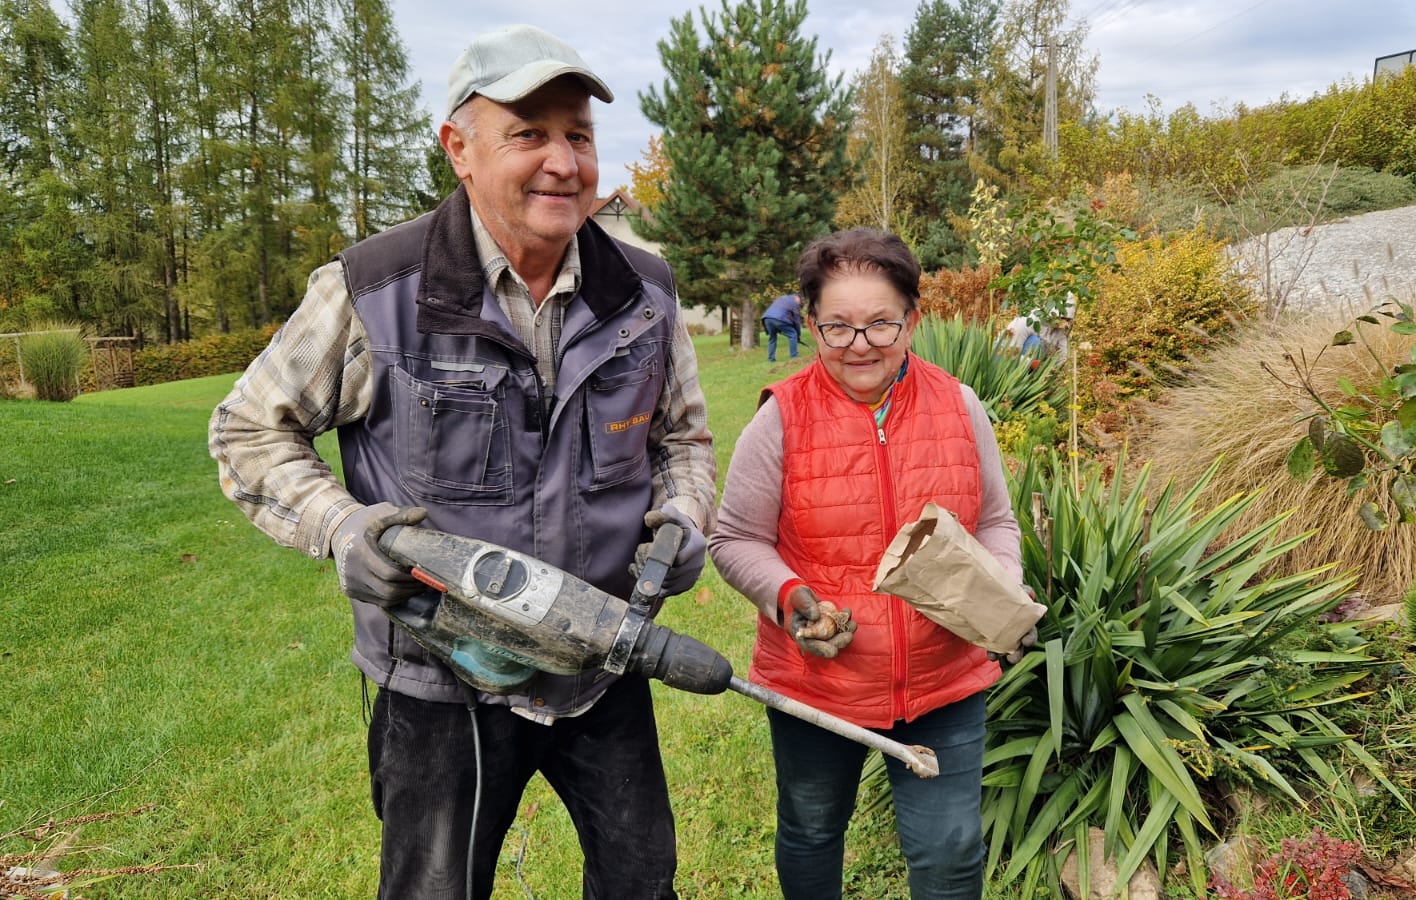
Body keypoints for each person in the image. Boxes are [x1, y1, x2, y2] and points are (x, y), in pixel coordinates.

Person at [208, 24, 716, 900]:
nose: (563, 161)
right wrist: (342, 527)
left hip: (601, 663)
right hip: (441, 677)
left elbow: (682, 441)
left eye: (579, 135)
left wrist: (682, 516)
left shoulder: (645, 293)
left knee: (642, 880)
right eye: (528, 133)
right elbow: (249, 430)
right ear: (459, 149)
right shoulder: (373, 290)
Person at [709, 228, 1027, 899]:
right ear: (811, 323)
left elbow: (995, 520)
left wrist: (1002, 586)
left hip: (944, 679)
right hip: (818, 686)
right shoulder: (781, 418)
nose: (860, 345)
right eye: (838, 326)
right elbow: (734, 538)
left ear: (912, 320)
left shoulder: (959, 405)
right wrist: (792, 598)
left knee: (950, 854)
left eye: (881, 323)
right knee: (812, 831)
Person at [762, 291, 804, 362]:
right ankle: (794, 356)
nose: (800, 304)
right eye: (800, 302)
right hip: (779, 319)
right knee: (793, 335)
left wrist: (779, 328)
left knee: (772, 338)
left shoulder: (782, 298)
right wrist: (798, 335)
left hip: (767, 318)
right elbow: (796, 321)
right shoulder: (795, 303)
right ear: (797, 298)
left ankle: (771, 359)